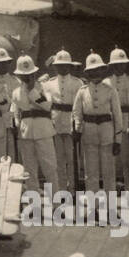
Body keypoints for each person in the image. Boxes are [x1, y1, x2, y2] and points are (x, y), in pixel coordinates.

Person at [72, 52, 122, 201]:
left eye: (98, 69)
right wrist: (77, 130)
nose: (95, 73)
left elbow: (118, 115)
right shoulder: (82, 91)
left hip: (107, 133)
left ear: (103, 70)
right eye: (91, 71)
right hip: (89, 134)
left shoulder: (110, 90)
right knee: (90, 173)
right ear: (87, 73)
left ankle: (110, 207)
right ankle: (92, 207)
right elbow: (77, 113)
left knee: (109, 172)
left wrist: (117, 140)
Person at [10, 55, 56, 191]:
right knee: (29, 171)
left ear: (35, 73)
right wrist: (18, 125)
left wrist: (32, 91)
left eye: (30, 74)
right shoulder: (16, 92)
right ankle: (34, 206)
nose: (27, 78)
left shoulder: (44, 88)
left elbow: (47, 105)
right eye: (23, 75)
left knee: (50, 168)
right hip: (26, 134)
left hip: (44, 131)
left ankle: (55, 204)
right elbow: (15, 112)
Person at [104, 48, 129, 199]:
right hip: (110, 125)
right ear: (111, 66)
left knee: (128, 162)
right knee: (109, 162)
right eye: (116, 64)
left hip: (126, 124)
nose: (120, 67)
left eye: (122, 64)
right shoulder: (106, 83)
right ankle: (110, 197)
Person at [46, 49, 84, 190]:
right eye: (59, 65)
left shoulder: (77, 83)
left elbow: (80, 107)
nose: (62, 68)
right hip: (55, 124)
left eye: (65, 65)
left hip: (71, 123)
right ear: (55, 66)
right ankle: (61, 189)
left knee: (72, 159)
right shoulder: (48, 84)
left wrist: (78, 127)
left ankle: (73, 189)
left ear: (70, 66)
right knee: (58, 160)